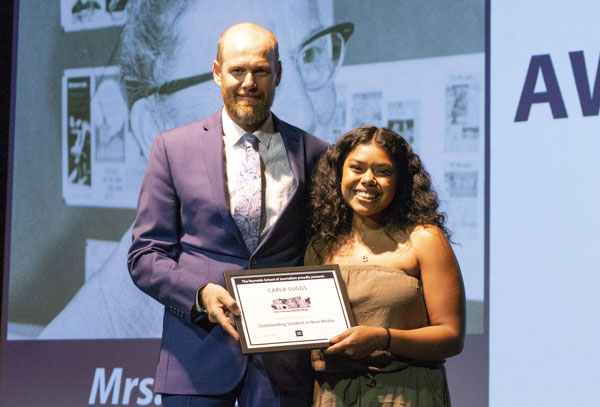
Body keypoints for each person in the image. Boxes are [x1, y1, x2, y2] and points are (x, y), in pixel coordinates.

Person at [38, 0, 353, 339]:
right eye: (239, 74)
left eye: (308, 56)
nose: (304, 112)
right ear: (153, 125)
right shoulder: (83, 341)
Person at [127, 22, 329, 407]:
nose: (249, 82)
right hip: (196, 355)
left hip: (283, 365)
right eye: (238, 70)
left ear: (279, 74)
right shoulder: (173, 148)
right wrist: (200, 293)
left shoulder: (315, 152)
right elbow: (144, 256)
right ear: (217, 72)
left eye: (261, 70)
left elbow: (326, 249)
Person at [305, 126, 465, 406]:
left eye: (383, 171)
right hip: (336, 395)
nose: (367, 180)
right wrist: (317, 357)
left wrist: (383, 338)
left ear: (400, 181)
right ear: (339, 174)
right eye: (356, 168)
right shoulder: (321, 246)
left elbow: (451, 336)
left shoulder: (425, 238)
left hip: (407, 394)